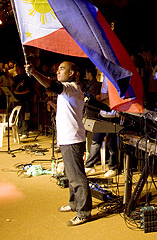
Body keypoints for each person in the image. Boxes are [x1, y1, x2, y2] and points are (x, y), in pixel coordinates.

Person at [25, 61, 92, 227]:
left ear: (71, 73)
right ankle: (74, 203)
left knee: (77, 177)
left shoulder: (70, 87)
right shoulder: (70, 91)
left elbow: (50, 83)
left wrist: (34, 73)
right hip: (68, 138)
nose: (58, 72)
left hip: (72, 139)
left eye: (62, 69)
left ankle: (83, 212)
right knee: (71, 175)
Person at [84, 74, 119, 178]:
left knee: (111, 143)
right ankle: (90, 166)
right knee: (96, 140)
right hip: (103, 113)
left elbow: (116, 96)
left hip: (113, 114)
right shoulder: (104, 77)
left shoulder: (114, 77)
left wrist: (103, 100)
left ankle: (113, 167)